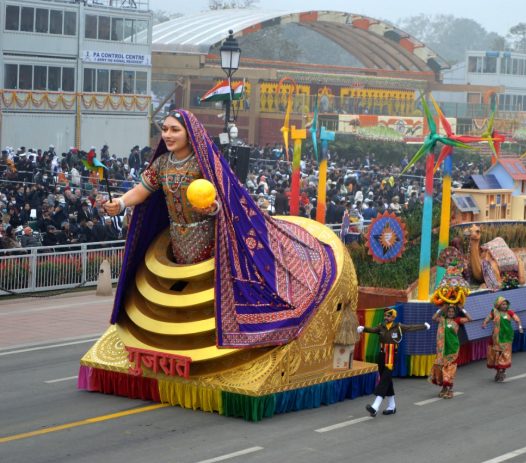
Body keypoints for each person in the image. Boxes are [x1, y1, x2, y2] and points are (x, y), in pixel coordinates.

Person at [103, 109, 336, 348]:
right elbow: (142, 190)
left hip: (211, 238)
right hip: (177, 237)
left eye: (175, 130)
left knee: (213, 290)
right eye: (164, 130)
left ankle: (211, 339)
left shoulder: (203, 162)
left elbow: (226, 198)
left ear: (189, 133)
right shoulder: (162, 163)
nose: (168, 135)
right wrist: (120, 202)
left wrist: (213, 208)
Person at [357, 308, 430, 416]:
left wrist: (424, 326)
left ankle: (375, 406)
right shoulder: (380, 326)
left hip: (391, 357)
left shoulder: (398, 327)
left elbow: (411, 328)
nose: (386, 318)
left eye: (389, 316)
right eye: (385, 316)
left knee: (384, 380)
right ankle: (392, 406)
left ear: (393, 317)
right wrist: (363, 329)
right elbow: (372, 330)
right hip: (382, 355)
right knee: (386, 380)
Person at [429, 304, 471, 399]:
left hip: (453, 348)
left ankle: (450, 390)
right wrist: (441, 309)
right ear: (446, 312)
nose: (451, 313)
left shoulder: (457, 320)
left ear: (455, 313)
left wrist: (462, 309)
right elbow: (433, 317)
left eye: (452, 312)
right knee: (441, 368)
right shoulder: (442, 319)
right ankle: (444, 388)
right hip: (442, 349)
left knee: (450, 369)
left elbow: (469, 319)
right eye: (449, 311)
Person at [482, 297, 524, 383]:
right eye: (503, 304)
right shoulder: (494, 311)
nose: (505, 306)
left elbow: (517, 319)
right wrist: (484, 323)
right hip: (496, 337)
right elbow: (488, 318)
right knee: (497, 354)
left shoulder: (510, 312)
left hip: (507, 337)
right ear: (498, 305)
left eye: (506, 304)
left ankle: (501, 371)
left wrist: (520, 328)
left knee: (505, 355)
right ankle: (499, 371)